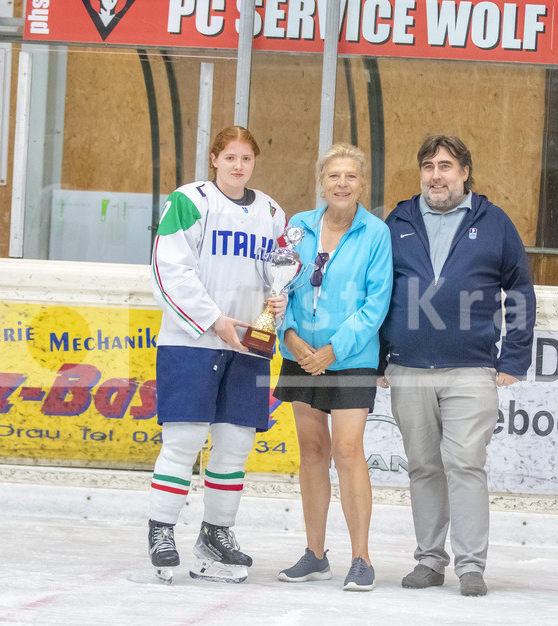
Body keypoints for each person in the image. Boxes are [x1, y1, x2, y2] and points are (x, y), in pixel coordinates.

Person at [379, 134, 536, 597]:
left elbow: (520, 291)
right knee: (423, 466)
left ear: (465, 173)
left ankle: (471, 566)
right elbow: (378, 292)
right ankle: (429, 560)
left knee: (465, 464)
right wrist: (378, 358)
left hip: (470, 368)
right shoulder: (398, 221)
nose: (436, 175)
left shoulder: (494, 223)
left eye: (446, 166)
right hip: (408, 367)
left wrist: (514, 357)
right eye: (428, 166)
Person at [147, 125, 287, 584]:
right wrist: (213, 319)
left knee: (235, 444)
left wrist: (278, 304)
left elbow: (277, 273)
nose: (238, 166)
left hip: (249, 343)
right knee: (184, 440)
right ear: (214, 159)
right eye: (230, 157)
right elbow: (168, 270)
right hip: (192, 341)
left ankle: (216, 534)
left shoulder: (272, 212)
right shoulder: (190, 201)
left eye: (246, 158)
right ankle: (162, 529)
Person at [274, 143, 393, 591]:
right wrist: (289, 336)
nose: (342, 183)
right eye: (334, 176)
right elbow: (278, 287)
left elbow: (376, 304)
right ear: (322, 182)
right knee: (311, 451)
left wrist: (333, 350)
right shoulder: (298, 227)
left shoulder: (375, 233)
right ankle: (315, 554)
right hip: (299, 355)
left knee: (346, 451)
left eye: (351, 176)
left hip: (350, 358)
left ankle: (361, 558)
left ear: (362, 184)